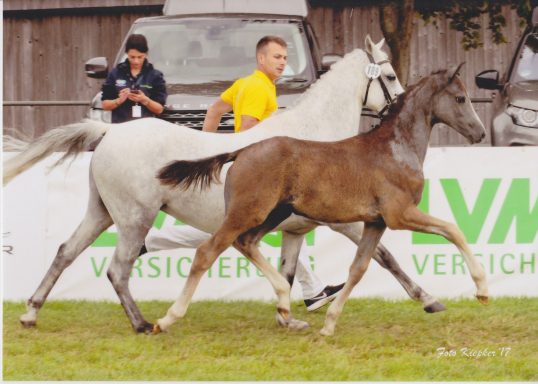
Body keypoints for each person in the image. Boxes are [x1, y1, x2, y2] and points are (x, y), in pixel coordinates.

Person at [144, 36, 343, 311]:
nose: (283, 62)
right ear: (261, 59)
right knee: (247, 229)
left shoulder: (248, 83)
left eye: (285, 57)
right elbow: (249, 130)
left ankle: (313, 289)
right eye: (277, 57)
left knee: (276, 224)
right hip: (253, 175)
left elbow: (215, 110)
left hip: (248, 170)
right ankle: (313, 289)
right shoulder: (258, 88)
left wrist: (206, 146)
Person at [101, 34, 167, 123]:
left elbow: (159, 109)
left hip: (146, 128)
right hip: (121, 128)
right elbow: (105, 105)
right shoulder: (115, 73)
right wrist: (119, 100)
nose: (136, 61)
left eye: (140, 57)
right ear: (127, 54)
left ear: (146, 54)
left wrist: (145, 100)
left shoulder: (155, 76)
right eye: (132, 57)